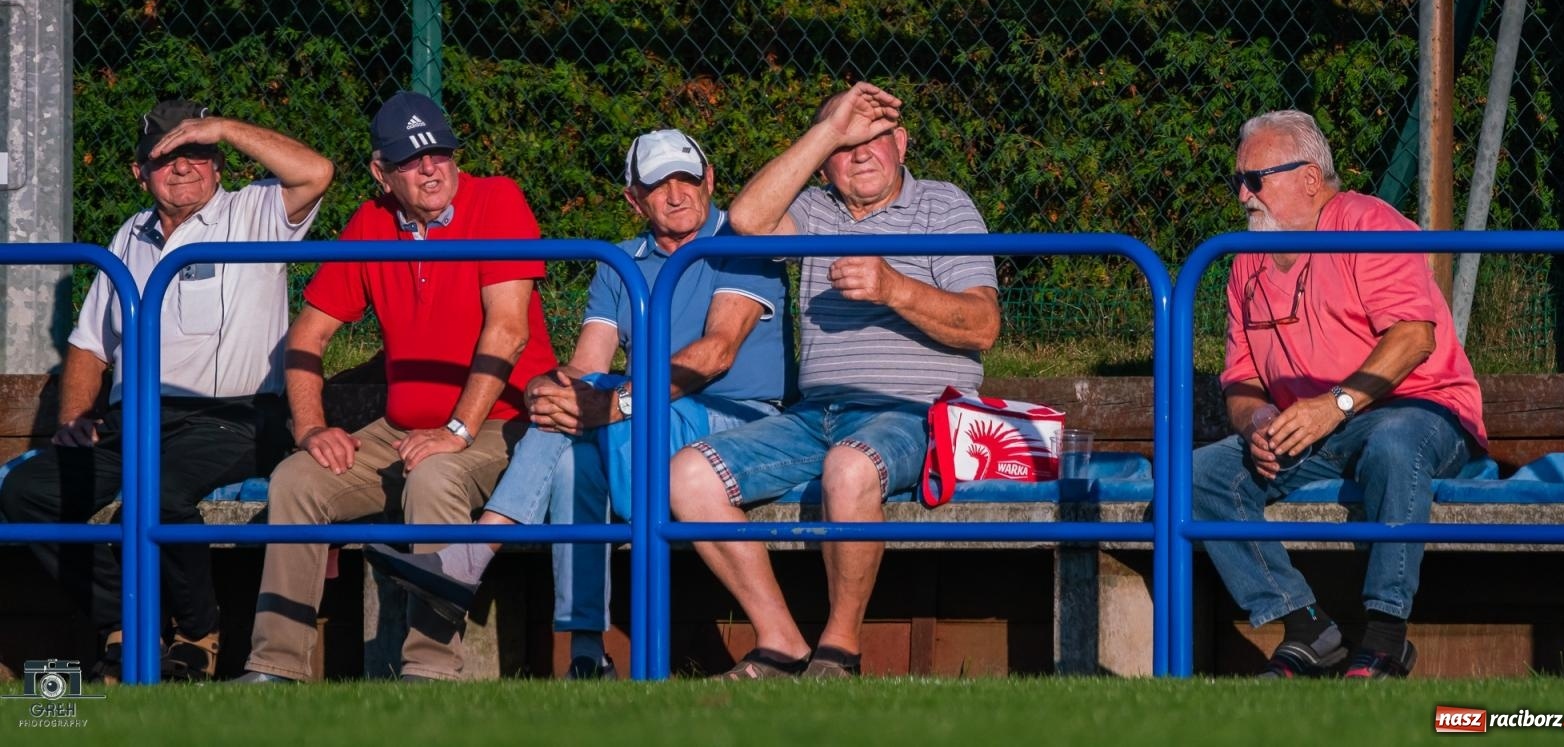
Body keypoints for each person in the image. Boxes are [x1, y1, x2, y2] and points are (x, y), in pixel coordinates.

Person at [364, 128, 794, 679]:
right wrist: (549, 388)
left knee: (595, 420)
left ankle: (471, 558)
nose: (678, 195)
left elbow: (714, 356)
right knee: (570, 457)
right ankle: (586, 652)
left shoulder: (740, 241)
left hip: (739, 420)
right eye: (659, 186)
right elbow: (586, 363)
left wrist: (613, 404)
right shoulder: (619, 260)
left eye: (688, 179)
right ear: (632, 199)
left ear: (710, 180)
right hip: (645, 420)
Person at [667, 82, 1001, 679]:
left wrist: (893, 287)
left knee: (848, 466)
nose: (861, 154)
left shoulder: (943, 205)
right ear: (824, 160)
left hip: (913, 412)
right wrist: (828, 128)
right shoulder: (816, 211)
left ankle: (838, 651)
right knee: (686, 475)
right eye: (846, 146)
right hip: (812, 416)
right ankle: (780, 642)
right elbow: (745, 219)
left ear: (901, 143)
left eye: (874, 139)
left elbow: (982, 326)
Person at [0, 99, 333, 682]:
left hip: (232, 418)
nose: (183, 167)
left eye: (198, 151)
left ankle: (197, 633)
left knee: (153, 495)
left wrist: (226, 125)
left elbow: (317, 172)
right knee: (27, 491)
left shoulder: (253, 209)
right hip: (135, 423)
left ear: (218, 162)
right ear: (139, 171)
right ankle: (124, 625)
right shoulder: (129, 235)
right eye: (165, 156)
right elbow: (89, 347)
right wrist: (75, 414)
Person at [234, 91, 559, 684]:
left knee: (435, 475)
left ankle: (429, 673)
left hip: (503, 420)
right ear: (381, 174)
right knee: (295, 481)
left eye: (439, 151)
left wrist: (456, 431)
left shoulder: (498, 198)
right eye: (410, 160)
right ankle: (274, 670)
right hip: (402, 427)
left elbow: (509, 331)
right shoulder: (371, 222)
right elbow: (305, 337)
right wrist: (310, 428)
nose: (430, 167)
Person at [1192, 109, 1487, 680]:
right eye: (1238, 182)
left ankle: (1385, 637)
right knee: (1197, 476)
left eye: (1256, 180)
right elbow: (1241, 381)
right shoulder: (1245, 261)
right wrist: (1257, 424)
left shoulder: (1365, 222)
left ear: (1309, 177)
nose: (1243, 197)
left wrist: (1335, 406)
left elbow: (1413, 338)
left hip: (1417, 408)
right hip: (1312, 426)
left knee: (1396, 444)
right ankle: (1306, 626)